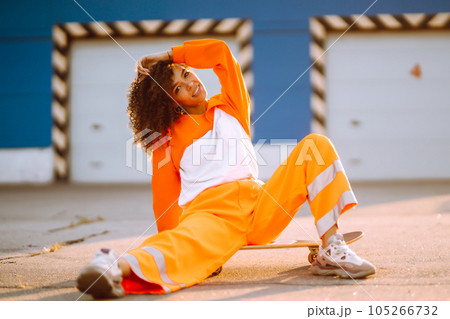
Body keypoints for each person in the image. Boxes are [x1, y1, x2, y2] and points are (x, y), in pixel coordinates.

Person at [76, 39, 375, 299]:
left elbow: (221, 53)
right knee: (177, 245)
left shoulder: (230, 106)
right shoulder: (167, 138)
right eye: (178, 87)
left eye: (187, 73)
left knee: (316, 145)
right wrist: (187, 237)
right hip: (211, 216)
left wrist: (168, 57)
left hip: (259, 205)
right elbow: (164, 198)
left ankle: (331, 247)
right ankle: (112, 266)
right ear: (171, 101)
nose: (191, 83)